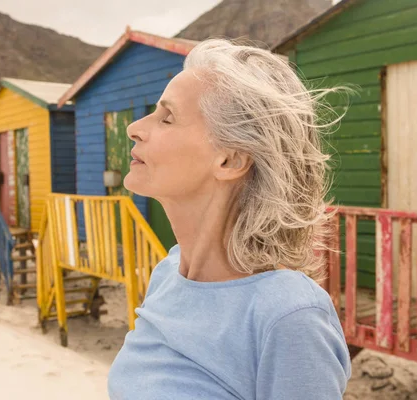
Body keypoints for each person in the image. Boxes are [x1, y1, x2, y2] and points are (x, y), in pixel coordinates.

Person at [108, 38, 351, 400]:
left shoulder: (289, 316)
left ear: (231, 160)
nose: (135, 127)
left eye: (166, 117)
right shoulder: (167, 274)